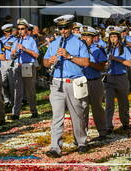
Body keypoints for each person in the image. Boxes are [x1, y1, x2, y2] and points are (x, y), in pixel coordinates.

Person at [43, 15, 90, 158]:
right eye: (60, 28)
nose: (63, 31)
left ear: (70, 28)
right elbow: (44, 62)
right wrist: (49, 61)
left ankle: (81, 142)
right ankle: (55, 147)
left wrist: (69, 56)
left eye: (65, 28)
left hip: (73, 83)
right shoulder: (54, 43)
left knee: (77, 115)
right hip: (57, 83)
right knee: (57, 117)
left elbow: (86, 63)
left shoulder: (79, 43)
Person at [104, 26, 131, 133]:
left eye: (115, 37)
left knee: (123, 103)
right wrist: (105, 65)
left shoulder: (124, 49)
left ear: (119, 38)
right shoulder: (107, 49)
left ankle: (125, 123)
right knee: (109, 104)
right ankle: (108, 126)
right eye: (111, 37)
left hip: (121, 78)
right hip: (110, 78)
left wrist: (116, 59)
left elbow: (129, 63)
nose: (113, 39)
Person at [81, 26, 108, 140]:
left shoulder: (97, 49)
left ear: (93, 38)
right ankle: (81, 136)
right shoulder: (78, 49)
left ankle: (102, 132)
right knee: (82, 110)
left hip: (94, 81)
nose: (85, 38)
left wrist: (89, 63)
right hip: (81, 82)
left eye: (88, 36)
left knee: (97, 108)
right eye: (83, 36)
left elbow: (102, 67)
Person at [10, 18, 39, 120]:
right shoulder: (16, 40)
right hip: (18, 65)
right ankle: (16, 113)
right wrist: (13, 54)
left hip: (28, 66)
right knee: (17, 91)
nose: (20, 31)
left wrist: (25, 49)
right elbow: (11, 55)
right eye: (19, 29)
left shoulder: (31, 40)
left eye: (22, 28)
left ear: (26, 29)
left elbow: (36, 55)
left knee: (30, 91)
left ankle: (34, 111)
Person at [0, 24, 17, 110]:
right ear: (4, 32)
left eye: (10, 31)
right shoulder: (0, 40)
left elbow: (13, 49)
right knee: (2, 82)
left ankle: (14, 102)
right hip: (2, 62)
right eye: (7, 32)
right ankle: (6, 100)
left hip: (11, 61)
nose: (9, 33)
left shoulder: (15, 39)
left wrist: (3, 46)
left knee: (12, 83)